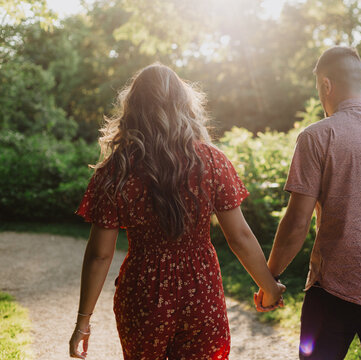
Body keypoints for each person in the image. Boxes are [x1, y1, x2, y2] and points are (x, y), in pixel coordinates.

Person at [69, 63, 285, 360]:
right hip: (201, 292)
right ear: (184, 106)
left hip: (143, 294)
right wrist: (268, 287)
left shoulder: (117, 170)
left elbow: (100, 255)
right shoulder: (212, 162)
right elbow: (240, 237)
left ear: (133, 109)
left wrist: (83, 320)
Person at [255, 46, 361, 359]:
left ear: (325, 85)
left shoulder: (316, 137)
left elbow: (297, 223)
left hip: (337, 289)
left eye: (319, 88)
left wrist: (269, 278)